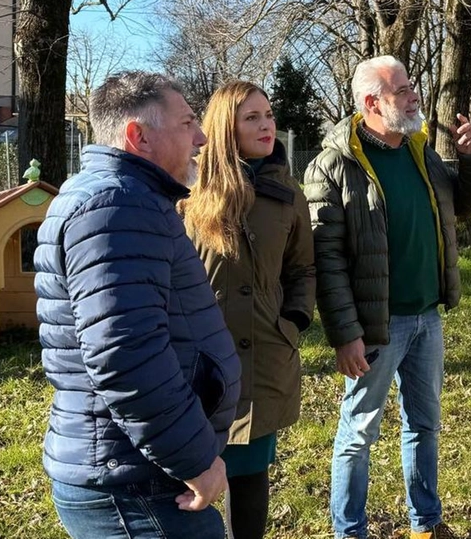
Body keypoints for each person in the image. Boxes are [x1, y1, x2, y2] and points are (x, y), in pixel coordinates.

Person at [34, 71, 242, 539]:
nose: (202, 137)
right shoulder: (115, 206)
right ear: (138, 136)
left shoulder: (126, 199)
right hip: (137, 485)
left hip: (135, 469)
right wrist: (195, 460)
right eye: (188, 122)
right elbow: (126, 354)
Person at [303, 55, 471, 539]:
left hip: (427, 316)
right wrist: (345, 334)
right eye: (402, 89)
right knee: (358, 435)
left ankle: (425, 523)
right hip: (375, 326)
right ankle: (350, 531)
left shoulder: (419, 149)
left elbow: (459, 206)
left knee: (424, 425)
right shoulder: (332, 166)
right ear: (371, 102)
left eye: (411, 86)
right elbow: (326, 261)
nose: (414, 95)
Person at [183, 80, 316, 539]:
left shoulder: (286, 193)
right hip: (202, 364)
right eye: (252, 118)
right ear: (226, 128)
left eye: (269, 116)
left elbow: (303, 269)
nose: (266, 126)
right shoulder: (188, 193)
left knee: (251, 477)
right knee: (193, 476)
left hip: (264, 357)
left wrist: (294, 321)